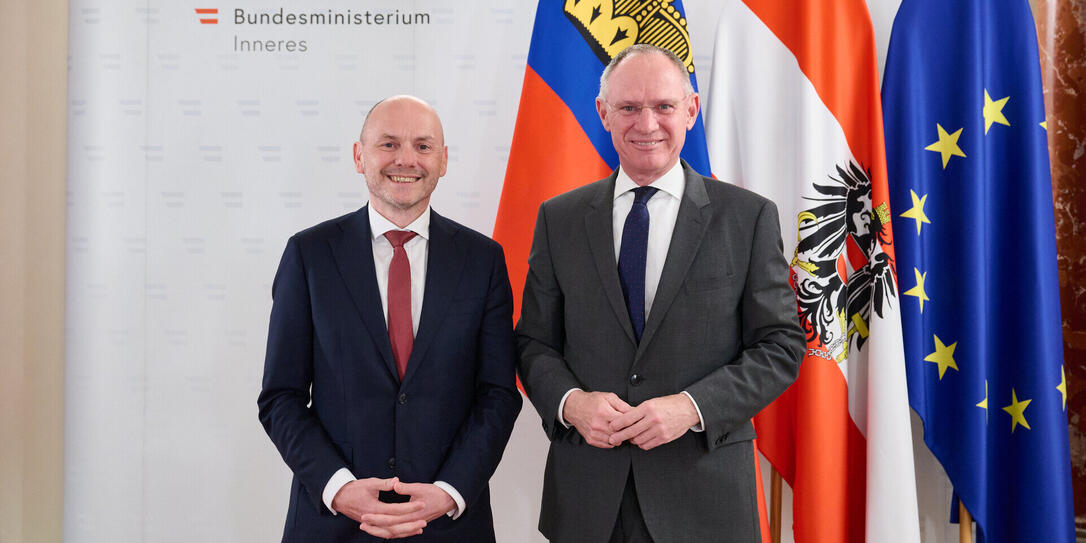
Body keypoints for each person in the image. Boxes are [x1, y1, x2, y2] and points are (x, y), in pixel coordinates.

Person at [516, 45, 805, 542]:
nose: (646, 123)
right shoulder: (558, 218)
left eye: (663, 107)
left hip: (705, 501)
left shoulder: (747, 216)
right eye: (628, 107)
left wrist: (691, 407)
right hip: (587, 501)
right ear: (603, 113)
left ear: (691, 110)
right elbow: (533, 343)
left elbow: (780, 346)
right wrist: (571, 403)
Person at [258, 95, 522, 542]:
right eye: (388, 144)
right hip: (333, 524)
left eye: (423, 146)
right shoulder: (309, 255)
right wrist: (339, 489)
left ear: (443, 160)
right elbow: (280, 398)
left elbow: (497, 394)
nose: (406, 159)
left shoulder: (484, 260)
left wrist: (449, 491)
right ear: (359, 157)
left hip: (448, 524)